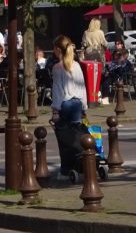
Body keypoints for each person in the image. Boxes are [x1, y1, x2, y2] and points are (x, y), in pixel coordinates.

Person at [50, 34, 88, 179]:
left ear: (58, 50)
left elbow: (58, 91)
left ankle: (66, 170)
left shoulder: (57, 68)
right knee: (77, 136)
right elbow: (82, 87)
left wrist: (55, 110)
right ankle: (81, 166)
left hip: (64, 104)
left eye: (54, 48)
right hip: (77, 104)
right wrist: (84, 107)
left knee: (64, 139)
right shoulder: (77, 65)